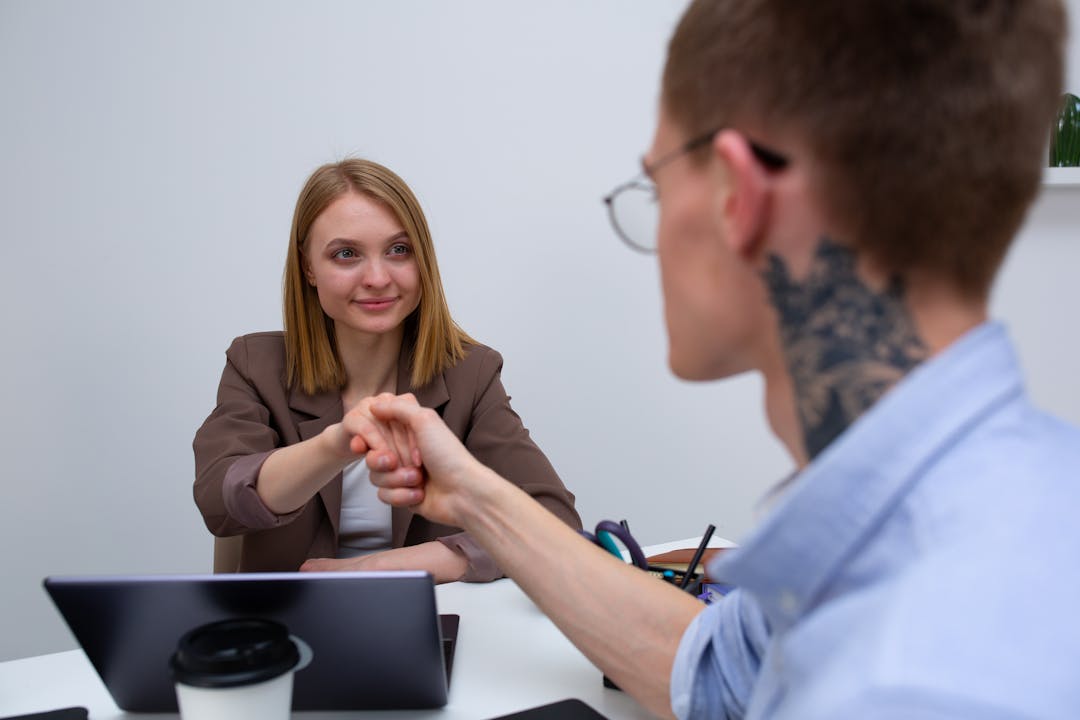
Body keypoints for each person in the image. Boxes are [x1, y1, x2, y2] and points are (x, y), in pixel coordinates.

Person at [342, 2, 1080, 718]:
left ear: (738, 197)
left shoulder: (904, 682)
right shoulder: (1006, 495)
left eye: (656, 188)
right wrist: (472, 493)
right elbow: (717, 675)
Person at [192, 158, 580, 581]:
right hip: (290, 631)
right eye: (346, 254)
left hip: (424, 617)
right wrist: (337, 445)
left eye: (399, 250)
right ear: (308, 269)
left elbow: (554, 523)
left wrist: (377, 568)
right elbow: (220, 499)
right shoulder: (255, 365)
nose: (377, 278)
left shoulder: (472, 372)